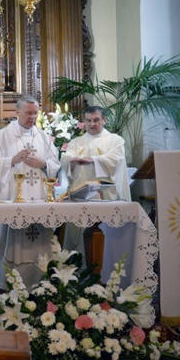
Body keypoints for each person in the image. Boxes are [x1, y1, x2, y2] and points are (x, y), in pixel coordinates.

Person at [0, 95, 60, 288]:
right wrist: (11, 160)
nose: (32, 117)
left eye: (35, 113)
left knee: (40, 242)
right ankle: (9, 285)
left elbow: (55, 164)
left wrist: (43, 164)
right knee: (14, 244)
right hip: (14, 198)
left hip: (40, 198)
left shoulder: (43, 136)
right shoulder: (2, 136)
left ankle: (41, 286)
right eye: (28, 113)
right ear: (17, 112)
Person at [60, 105, 131, 251]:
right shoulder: (76, 142)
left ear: (104, 120)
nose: (92, 124)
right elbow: (65, 158)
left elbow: (115, 158)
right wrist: (72, 161)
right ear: (84, 122)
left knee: (106, 245)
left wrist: (93, 160)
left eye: (96, 120)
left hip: (105, 198)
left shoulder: (115, 140)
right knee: (79, 244)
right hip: (80, 199)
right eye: (88, 120)